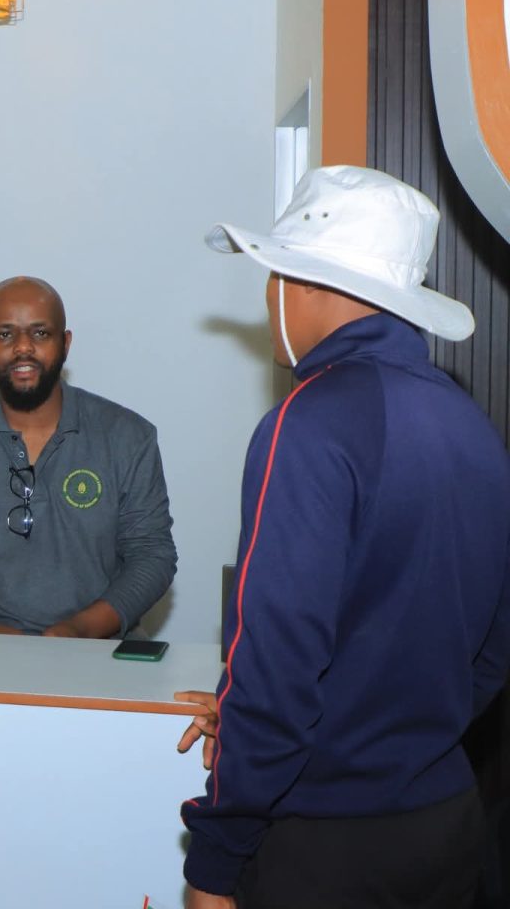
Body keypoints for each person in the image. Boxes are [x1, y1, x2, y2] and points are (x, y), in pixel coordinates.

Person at [178, 165, 510, 908]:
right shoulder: (471, 425)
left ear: (302, 282)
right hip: (447, 822)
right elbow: (489, 649)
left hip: (324, 844)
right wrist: (384, 732)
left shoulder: (307, 424)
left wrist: (215, 860)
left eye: (272, 272)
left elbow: (279, 663)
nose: (267, 294)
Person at [0, 276, 177, 636]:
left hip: (90, 645)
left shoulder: (128, 437)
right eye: (5, 334)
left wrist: (80, 630)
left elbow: (152, 555)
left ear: (66, 343)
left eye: (40, 333)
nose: (23, 347)